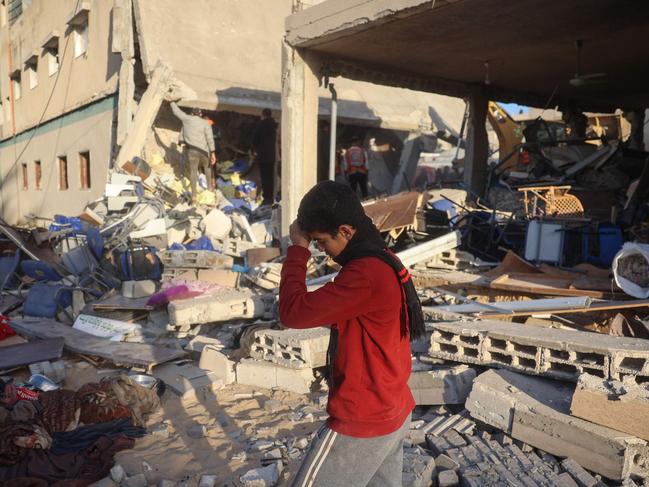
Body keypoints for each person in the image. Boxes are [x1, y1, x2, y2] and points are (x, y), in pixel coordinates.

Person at [280, 181, 425, 487]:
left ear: (345, 231)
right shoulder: (383, 257)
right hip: (393, 408)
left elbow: (292, 313)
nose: (321, 250)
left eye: (320, 241)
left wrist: (297, 249)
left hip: (363, 420)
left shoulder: (365, 274)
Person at [167, 97, 216, 203]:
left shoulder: (187, 119)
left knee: (193, 172)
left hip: (192, 151)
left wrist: (171, 102)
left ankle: (194, 196)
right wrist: (213, 153)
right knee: (207, 170)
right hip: (204, 151)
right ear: (201, 114)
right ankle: (210, 191)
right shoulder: (205, 123)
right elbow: (210, 139)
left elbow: (177, 112)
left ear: (192, 114)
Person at [252, 108, 278, 205]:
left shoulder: (261, 125)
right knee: (271, 177)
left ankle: (266, 198)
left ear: (263, 115)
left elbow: (255, 139)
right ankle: (271, 197)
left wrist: (255, 149)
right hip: (272, 154)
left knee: (264, 176)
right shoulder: (274, 125)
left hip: (263, 154)